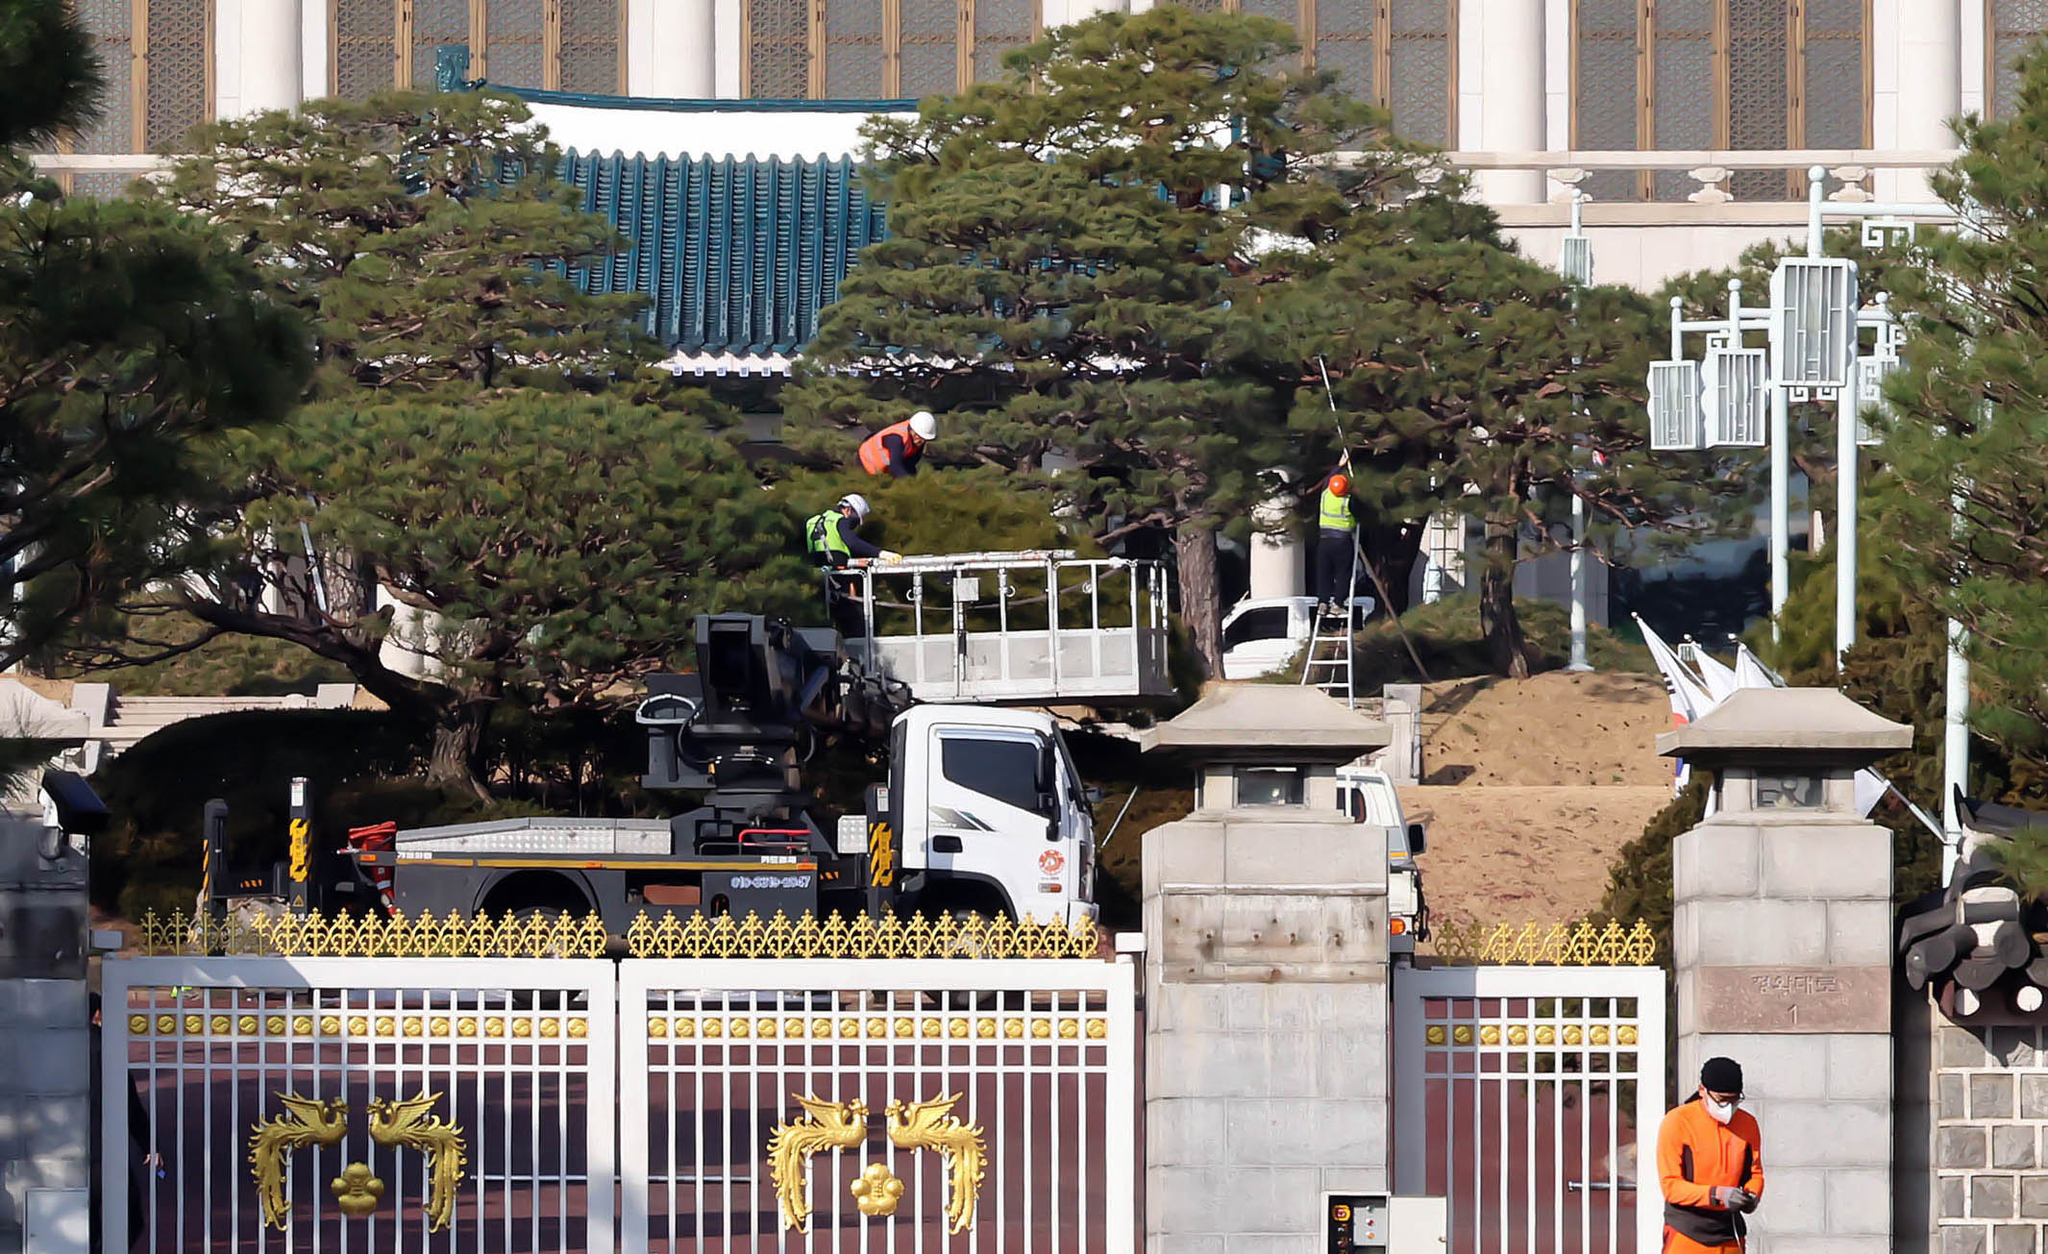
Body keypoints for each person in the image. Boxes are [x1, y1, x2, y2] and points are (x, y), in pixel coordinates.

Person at [1657, 1056, 1764, 1254]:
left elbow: (1755, 1173)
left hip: (1730, 1232)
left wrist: (1752, 1196)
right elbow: (1671, 1186)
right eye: (1722, 1100)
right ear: (1702, 1091)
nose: (1728, 1108)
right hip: (1686, 1232)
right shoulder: (1677, 1122)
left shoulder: (1748, 1124)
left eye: (1734, 1100)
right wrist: (1716, 1194)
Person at [89, 992, 157, 1253]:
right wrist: (149, 1144)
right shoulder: (106, 1050)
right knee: (131, 1218)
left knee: (87, 1221)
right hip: (105, 1155)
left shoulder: (57, 1049)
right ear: (97, 1014)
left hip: (67, 1151)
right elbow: (128, 1105)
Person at [804, 493, 902, 639]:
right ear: (848, 510)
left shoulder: (811, 522)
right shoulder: (840, 521)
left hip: (817, 581)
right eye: (855, 521)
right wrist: (881, 553)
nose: (853, 525)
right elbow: (852, 542)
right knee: (854, 624)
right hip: (838, 580)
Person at [1312, 468, 1358, 611]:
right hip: (1342, 541)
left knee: (1324, 572)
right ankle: (1338, 603)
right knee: (1342, 573)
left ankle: (1323, 602)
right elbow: (1360, 514)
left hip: (1324, 540)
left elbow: (1329, 479)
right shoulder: (1349, 501)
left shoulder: (1325, 495)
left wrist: (1339, 465)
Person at [858, 410, 938, 478]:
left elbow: (910, 464)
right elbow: (896, 466)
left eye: (924, 439)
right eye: (917, 436)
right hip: (864, 463)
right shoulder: (896, 439)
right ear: (911, 429)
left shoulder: (918, 439)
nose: (920, 441)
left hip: (883, 471)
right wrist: (911, 484)